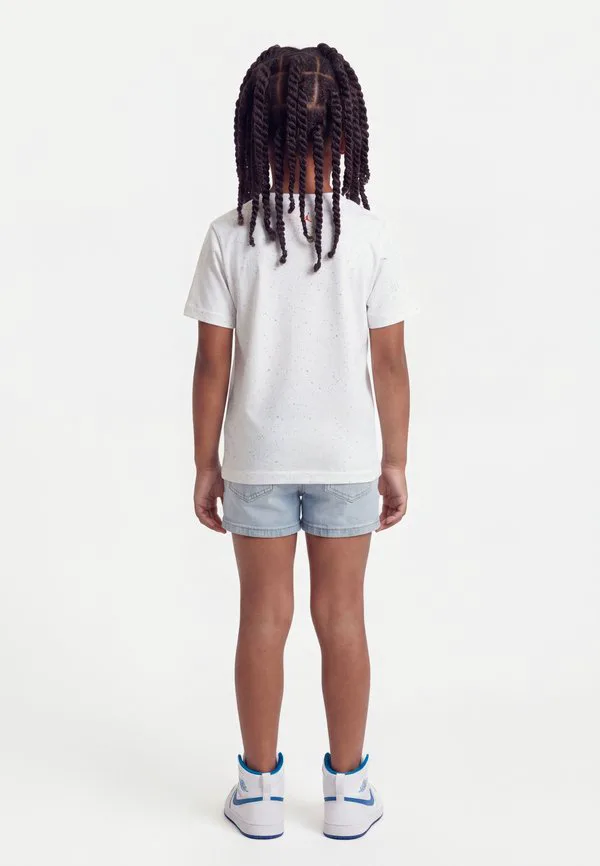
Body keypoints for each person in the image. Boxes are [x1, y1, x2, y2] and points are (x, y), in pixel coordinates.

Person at [184, 43, 417, 841]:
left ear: (255, 133)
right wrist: (395, 460)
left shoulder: (229, 236)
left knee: (263, 618)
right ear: (344, 136)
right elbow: (390, 362)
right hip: (348, 461)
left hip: (255, 461)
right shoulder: (369, 236)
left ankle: (257, 792)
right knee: (342, 617)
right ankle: (348, 792)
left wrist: (205, 463)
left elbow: (211, 365)